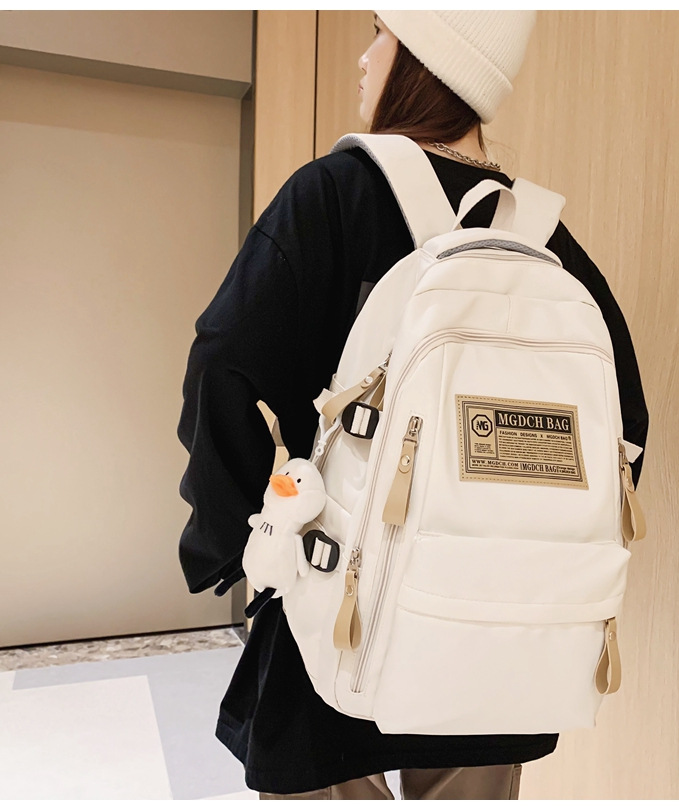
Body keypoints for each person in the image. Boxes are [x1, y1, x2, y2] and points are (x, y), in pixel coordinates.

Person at [177, 10, 649, 800]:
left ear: (426, 52)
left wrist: (251, 542)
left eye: (380, 33)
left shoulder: (331, 197)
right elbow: (624, 433)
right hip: (500, 646)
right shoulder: (547, 243)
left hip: (341, 616)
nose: (365, 60)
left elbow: (224, 367)